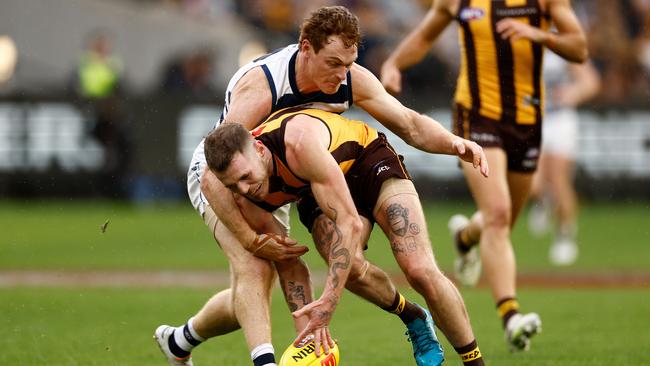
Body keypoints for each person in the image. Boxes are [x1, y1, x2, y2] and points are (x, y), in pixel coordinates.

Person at [155, 6, 488, 366]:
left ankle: (181, 341)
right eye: (333, 63)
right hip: (228, 175)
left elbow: (408, 123)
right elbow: (220, 171)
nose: (342, 74)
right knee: (258, 267)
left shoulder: (348, 78)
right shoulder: (261, 89)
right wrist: (251, 240)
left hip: (329, 164)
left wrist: (454, 143)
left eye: (348, 62)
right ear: (306, 48)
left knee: (414, 268)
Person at [381, 0, 588, 352]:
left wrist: (538, 34)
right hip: (476, 118)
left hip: (526, 118)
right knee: (498, 214)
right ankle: (511, 317)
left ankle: (466, 236)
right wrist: (393, 64)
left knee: (502, 220)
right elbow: (424, 35)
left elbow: (579, 48)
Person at [205, 108, 487, 366]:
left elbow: (349, 223)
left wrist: (329, 302)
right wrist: (308, 336)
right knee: (348, 267)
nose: (245, 189)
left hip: (367, 161)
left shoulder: (298, 145)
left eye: (245, 176)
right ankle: (412, 315)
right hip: (316, 191)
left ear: (259, 149)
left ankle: (474, 362)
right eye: (233, 185)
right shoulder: (238, 194)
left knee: (419, 269)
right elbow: (289, 263)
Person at [528, 50, 601, 265]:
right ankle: (545, 202)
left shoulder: (562, 46)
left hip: (560, 120)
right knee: (533, 184)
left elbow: (591, 82)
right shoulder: (524, 43)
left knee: (560, 180)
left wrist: (573, 93)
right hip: (532, 121)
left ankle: (564, 235)